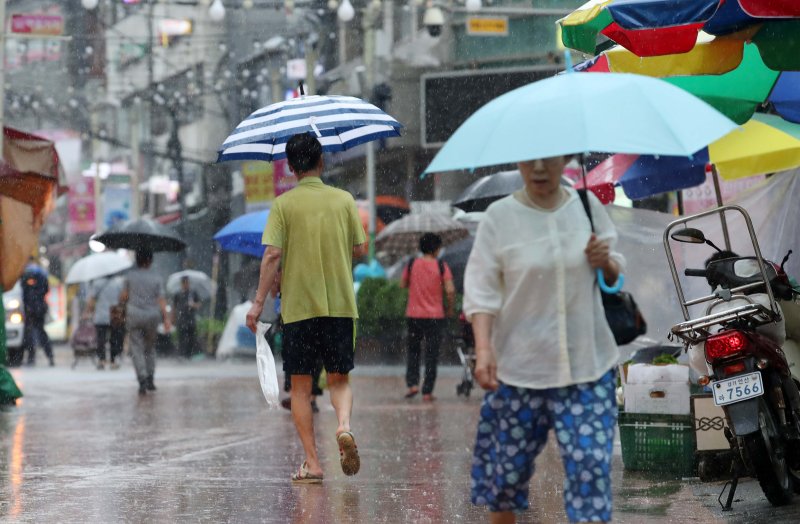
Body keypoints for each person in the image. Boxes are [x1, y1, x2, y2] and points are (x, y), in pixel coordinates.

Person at [464, 156, 624, 524]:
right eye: (530, 160)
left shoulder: (586, 207)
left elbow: (615, 277)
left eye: (549, 158)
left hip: (587, 366)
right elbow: (481, 291)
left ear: (566, 158)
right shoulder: (499, 218)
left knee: (590, 472)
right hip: (519, 370)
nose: (539, 168)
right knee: (504, 480)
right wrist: (484, 349)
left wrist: (606, 262)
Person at [246, 132, 366, 484]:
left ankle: (313, 464)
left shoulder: (284, 205)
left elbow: (271, 255)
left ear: (291, 167)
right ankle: (343, 426)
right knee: (339, 379)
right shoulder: (344, 200)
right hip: (340, 305)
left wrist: (257, 305)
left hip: (299, 310)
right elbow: (361, 248)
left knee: (300, 387)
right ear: (321, 161)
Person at [400, 233, 456, 401]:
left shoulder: (412, 264)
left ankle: (412, 384)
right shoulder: (441, 266)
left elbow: (402, 284)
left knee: (413, 351)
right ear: (436, 248)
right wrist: (450, 308)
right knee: (432, 353)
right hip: (435, 316)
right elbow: (451, 290)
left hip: (414, 315)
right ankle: (427, 391)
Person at [119, 248, 171, 395]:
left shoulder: (129, 276)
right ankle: (151, 378)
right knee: (150, 347)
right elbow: (161, 299)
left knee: (136, 348)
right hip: (152, 316)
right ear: (150, 260)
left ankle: (142, 378)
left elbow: (123, 296)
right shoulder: (156, 278)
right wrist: (166, 319)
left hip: (134, 314)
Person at [84, 274, 125, 370]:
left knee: (100, 339)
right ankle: (113, 360)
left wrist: (87, 311)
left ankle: (101, 360)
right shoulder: (118, 283)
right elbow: (122, 298)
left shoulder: (97, 283)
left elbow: (91, 299)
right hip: (114, 314)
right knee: (114, 338)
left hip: (100, 315)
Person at [20, 257, 54, 367]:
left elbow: (24, 291)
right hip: (40, 307)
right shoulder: (41, 273)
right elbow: (46, 289)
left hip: (30, 308)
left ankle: (31, 357)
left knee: (29, 333)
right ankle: (50, 356)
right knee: (41, 332)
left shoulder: (25, 273)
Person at [173, 276, 201, 359]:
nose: (186, 285)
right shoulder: (178, 294)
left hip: (191, 318)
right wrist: (173, 318)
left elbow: (199, 304)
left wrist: (193, 305)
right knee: (181, 336)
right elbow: (174, 307)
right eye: (184, 283)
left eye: (187, 283)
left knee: (191, 336)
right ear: (182, 284)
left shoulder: (193, 293)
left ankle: (190, 354)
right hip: (181, 318)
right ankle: (182, 354)